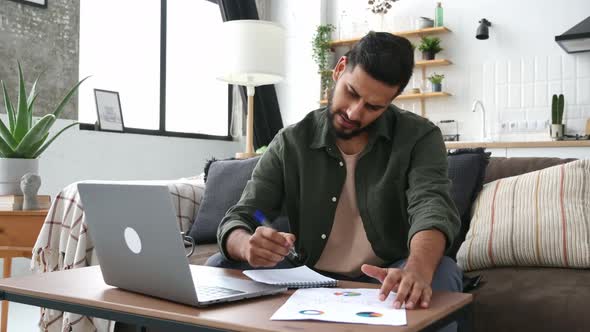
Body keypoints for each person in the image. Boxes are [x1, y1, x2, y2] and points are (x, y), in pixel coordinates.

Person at [207, 31, 462, 315]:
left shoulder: (420, 137)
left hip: (387, 274)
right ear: (339, 69)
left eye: (374, 106)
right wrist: (246, 245)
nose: (354, 113)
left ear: (391, 101)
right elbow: (242, 215)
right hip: (306, 273)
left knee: (440, 274)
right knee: (220, 265)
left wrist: (417, 269)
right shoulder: (291, 141)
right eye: (352, 93)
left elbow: (431, 206)